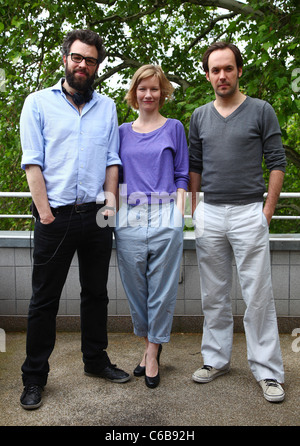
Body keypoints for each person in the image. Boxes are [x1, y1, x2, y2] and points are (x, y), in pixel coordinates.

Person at [19, 29, 130, 410]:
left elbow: (113, 160)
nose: (83, 65)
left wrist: (110, 208)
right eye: (77, 58)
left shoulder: (108, 107)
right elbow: (32, 161)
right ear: (65, 58)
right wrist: (45, 212)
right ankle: (34, 377)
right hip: (56, 217)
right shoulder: (37, 103)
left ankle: (96, 362)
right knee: (44, 300)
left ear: (98, 66)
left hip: (97, 217)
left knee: (96, 295)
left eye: (91, 60)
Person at [189, 42, 286, 403]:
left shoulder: (261, 111)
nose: (222, 75)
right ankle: (215, 360)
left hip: (249, 213)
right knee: (213, 294)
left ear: (239, 70)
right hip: (209, 214)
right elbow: (194, 166)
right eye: (215, 70)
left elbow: (277, 162)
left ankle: (268, 371)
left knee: (258, 296)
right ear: (208, 75)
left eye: (228, 68)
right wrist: (195, 210)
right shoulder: (199, 116)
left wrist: (267, 212)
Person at [114, 65, 189, 388]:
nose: (148, 94)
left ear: (163, 93)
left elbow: (182, 175)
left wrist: (179, 218)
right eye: (142, 89)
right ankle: (148, 344)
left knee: (162, 289)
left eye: (155, 89)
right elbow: (113, 178)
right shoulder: (120, 132)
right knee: (137, 289)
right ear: (134, 93)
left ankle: (153, 351)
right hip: (128, 215)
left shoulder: (174, 128)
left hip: (165, 213)